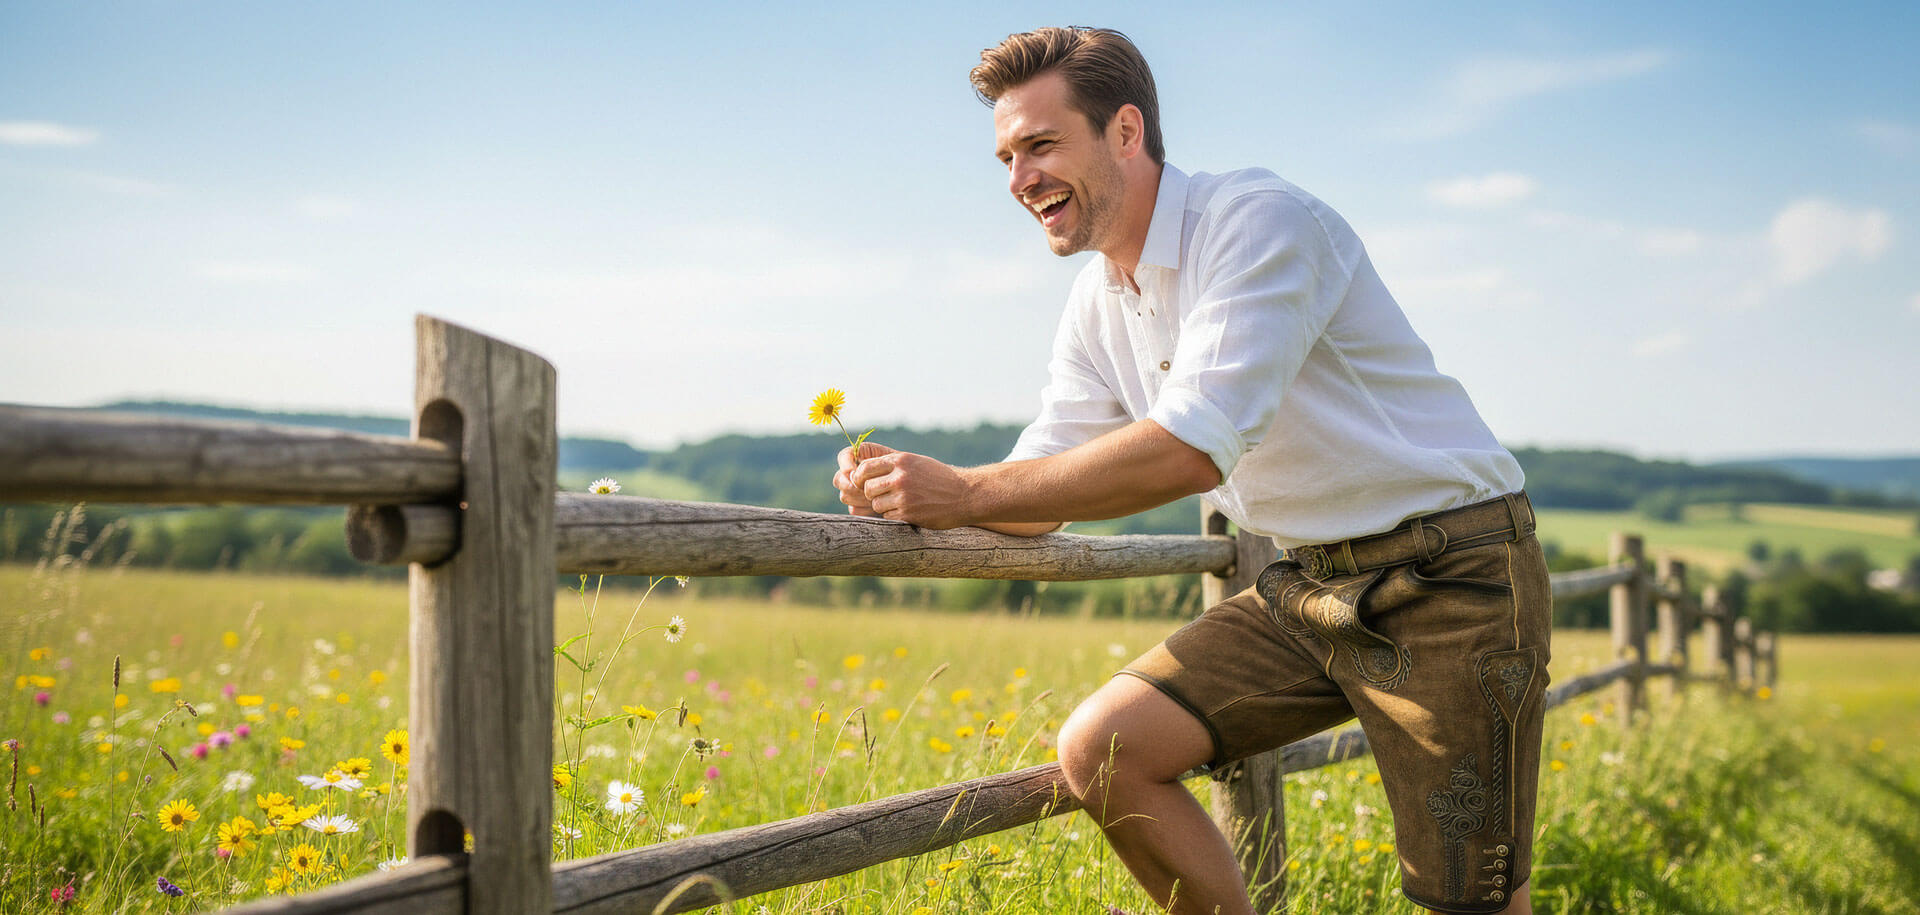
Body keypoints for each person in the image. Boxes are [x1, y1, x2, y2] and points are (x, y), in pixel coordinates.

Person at [832, 26, 1549, 915]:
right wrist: (914, 492)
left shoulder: (1257, 221)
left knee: (1470, 902)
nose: (1020, 180)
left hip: (1450, 576)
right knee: (1106, 748)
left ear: (1125, 132)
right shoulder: (1099, 302)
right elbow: (1042, 485)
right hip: (1309, 582)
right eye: (1008, 157)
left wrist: (967, 491)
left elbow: (1187, 448)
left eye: (1042, 145)